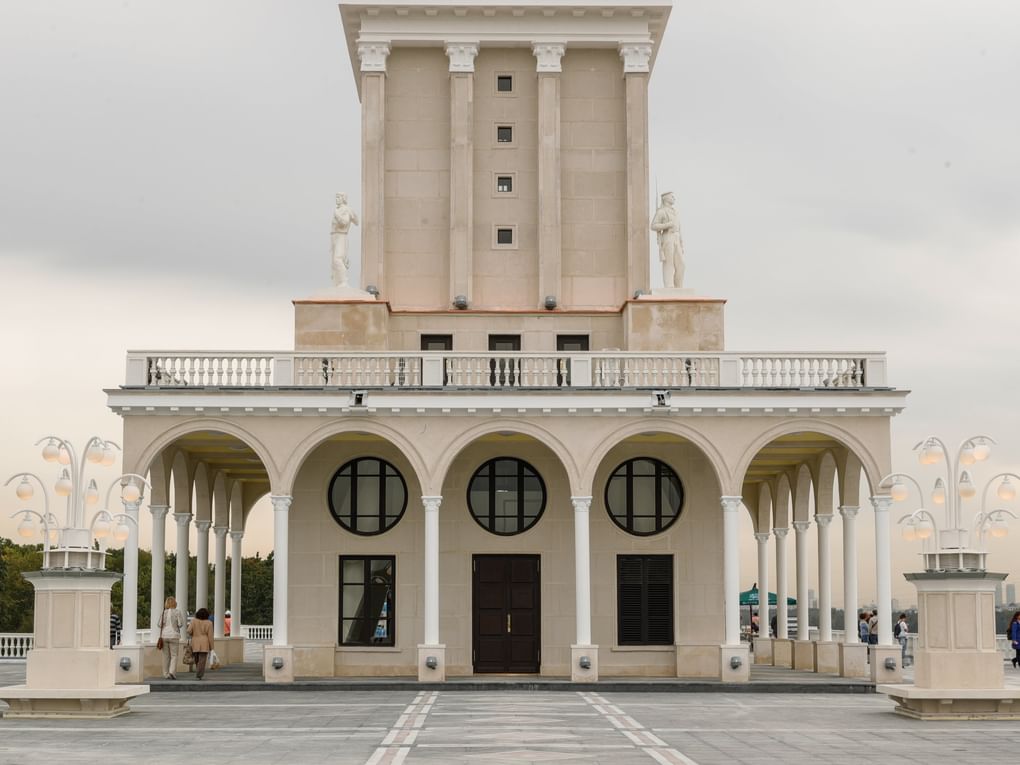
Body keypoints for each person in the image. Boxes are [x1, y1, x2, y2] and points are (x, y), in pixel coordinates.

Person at [649, 191, 685, 288]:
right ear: (666, 198)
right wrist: (666, 225)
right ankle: (669, 285)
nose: (674, 198)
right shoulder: (661, 211)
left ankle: (678, 286)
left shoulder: (675, 212)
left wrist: (681, 243)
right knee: (668, 263)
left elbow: (679, 228)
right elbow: (653, 226)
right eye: (672, 197)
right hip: (667, 237)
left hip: (676, 237)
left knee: (681, 264)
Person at [330, 192, 359, 287]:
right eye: (336, 197)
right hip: (335, 236)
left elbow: (345, 222)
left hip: (341, 236)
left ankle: (344, 281)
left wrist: (337, 214)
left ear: (343, 198)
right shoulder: (338, 209)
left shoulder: (345, 209)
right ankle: (337, 282)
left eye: (338, 197)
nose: (336, 199)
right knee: (335, 263)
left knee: (337, 259)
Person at [159, 596, 185, 680]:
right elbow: (181, 624)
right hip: (174, 635)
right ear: (175, 603)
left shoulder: (164, 612)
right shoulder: (177, 612)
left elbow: (159, 624)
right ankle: (172, 672)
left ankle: (165, 674)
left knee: (165, 656)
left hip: (164, 636)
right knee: (174, 655)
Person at [187, 607, 214, 680]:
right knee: (202, 659)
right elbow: (210, 636)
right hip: (204, 642)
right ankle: (199, 673)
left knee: (196, 659)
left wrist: (193, 632)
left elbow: (189, 631)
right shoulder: (209, 623)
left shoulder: (193, 621)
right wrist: (212, 647)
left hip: (195, 641)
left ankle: (198, 672)